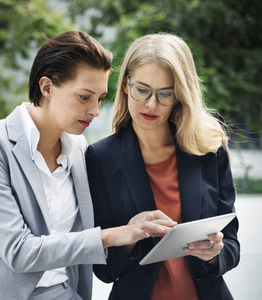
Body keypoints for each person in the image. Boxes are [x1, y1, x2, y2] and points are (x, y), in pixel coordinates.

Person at [0, 31, 175, 300]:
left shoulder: (79, 150)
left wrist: (132, 228)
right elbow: (18, 252)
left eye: (100, 98)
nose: (96, 110)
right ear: (47, 87)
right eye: (85, 97)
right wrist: (110, 236)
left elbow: (80, 239)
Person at [86, 33, 240, 299]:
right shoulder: (100, 157)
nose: (151, 104)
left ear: (179, 96)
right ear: (125, 85)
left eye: (165, 94)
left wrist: (215, 254)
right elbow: (104, 270)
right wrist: (129, 235)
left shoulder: (208, 150)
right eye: (142, 89)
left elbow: (232, 246)